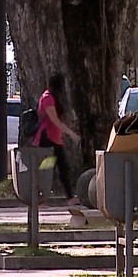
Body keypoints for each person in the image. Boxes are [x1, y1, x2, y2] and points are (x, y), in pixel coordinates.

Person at [32, 73, 81, 205]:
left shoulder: (53, 97)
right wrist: (71, 134)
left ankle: (67, 197)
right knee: (48, 169)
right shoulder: (47, 98)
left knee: (58, 168)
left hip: (54, 139)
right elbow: (55, 121)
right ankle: (42, 199)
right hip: (47, 139)